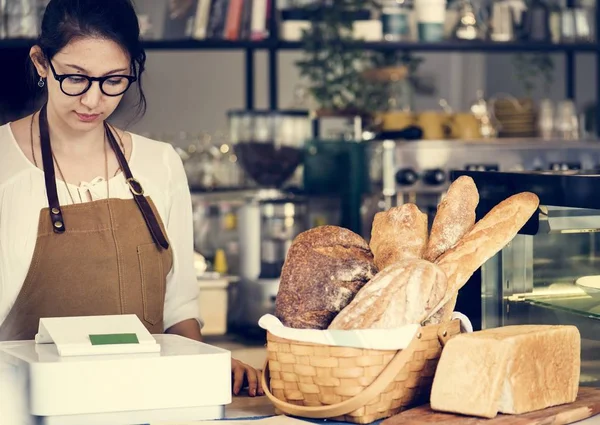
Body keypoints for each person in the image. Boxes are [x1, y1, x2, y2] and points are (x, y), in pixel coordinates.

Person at [0, 0, 263, 397]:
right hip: (25, 407)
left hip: (151, 403)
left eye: (113, 80)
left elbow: (178, 309)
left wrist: (207, 365)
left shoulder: (160, 163)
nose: (93, 100)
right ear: (41, 63)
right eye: (75, 78)